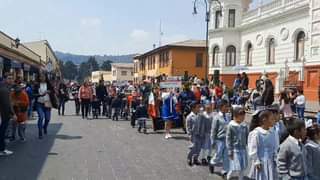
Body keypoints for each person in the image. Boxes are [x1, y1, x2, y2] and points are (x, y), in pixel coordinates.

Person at [248, 110, 277, 180]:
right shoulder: (256, 133)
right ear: (264, 120)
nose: (274, 120)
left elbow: (275, 146)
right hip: (262, 161)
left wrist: (275, 156)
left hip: (271, 161)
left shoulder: (272, 132)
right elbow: (253, 148)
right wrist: (256, 161)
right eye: (272, 119)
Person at [226, 106, 248, 180]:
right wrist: (230, 150)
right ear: (235, 116)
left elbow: (247, 136)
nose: (243, 118)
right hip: (235, 150)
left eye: (243, 116)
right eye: (241, 116)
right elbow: (228, 139)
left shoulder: (244, 125)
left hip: (243, 149)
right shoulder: (231, 125)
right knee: (235, 167)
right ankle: (229, 176)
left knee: (242, 167)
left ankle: (240, 178)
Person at [209, 99, 230, 176]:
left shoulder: (228, 116)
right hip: (219, 140)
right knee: (218, 155)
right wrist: (212, 141)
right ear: (220, 107)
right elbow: (213, 130)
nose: (227, 108)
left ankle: (224, 171)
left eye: (228, 106)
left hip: (227, 139)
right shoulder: (216, 117)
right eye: (225, 106)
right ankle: (212, 163)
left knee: (226, 156)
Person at [34, 73, 54, 139]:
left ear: (46, 77)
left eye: (43, 77)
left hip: (47, 103)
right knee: (41, 117)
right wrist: (40, 94)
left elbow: (53, 92)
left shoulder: (49, 84)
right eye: (41, 77)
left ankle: (45, 127)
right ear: (39, 78)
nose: (42, 78)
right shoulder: (36, 85)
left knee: (47, 118)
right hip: (39, 103)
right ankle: (40, 132)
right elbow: (34, 94)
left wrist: (49, 92)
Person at [0, 73, 15, 156]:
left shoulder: (4, 87)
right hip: (3, 115)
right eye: (9, 78)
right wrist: (12, 114)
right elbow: (7, 104)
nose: (11, 80)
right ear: (5, 79)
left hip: (3, 114)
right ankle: (2, 149)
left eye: (12, 78)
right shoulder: (4, 89)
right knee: (2, 132)